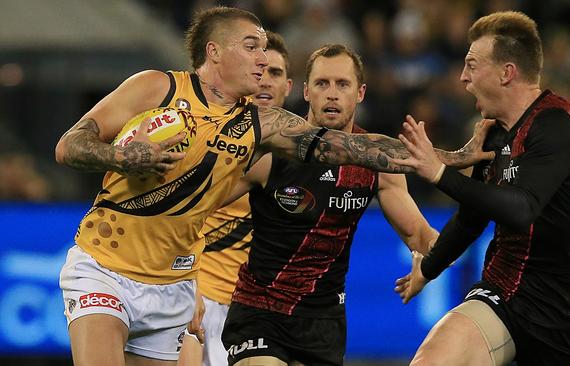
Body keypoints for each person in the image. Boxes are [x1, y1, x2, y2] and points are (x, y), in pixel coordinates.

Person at [54, 6, 488, 366]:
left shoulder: (261, 125)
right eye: (252, 47)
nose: (262, 58)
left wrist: (447, 159)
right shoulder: (156, 87)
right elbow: (68, 145)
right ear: (215, 52)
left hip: (172, 287)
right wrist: (122, 157)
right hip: (106, 265)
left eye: (265, 49)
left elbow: (353, 148)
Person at [394, 11, 570, 366]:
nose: (463, 78)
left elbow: (522, 209)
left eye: (472, 65)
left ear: (507, 72)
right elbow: (471, 219)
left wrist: (439, 173)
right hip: (502, 292)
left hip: (566, 314)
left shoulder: (559, 127)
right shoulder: (494, 134)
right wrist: (428, 269)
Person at [219, 43, 440, 366]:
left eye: (342, 84)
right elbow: (198, 205)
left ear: (360, 93)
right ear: (306, 91)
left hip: (323, 321)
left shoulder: (374, 162)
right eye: (322, 84)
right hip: (260, 311)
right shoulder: (273, 150)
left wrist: (428, 259)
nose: (332, 94)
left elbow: (420, 234)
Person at [177, 30, 294, 366]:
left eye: (276, 73)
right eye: (260, 70)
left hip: (261, 312)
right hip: (202, 297)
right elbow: (175, 213)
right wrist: (186, 282)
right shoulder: (208, 137)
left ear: (288, 86)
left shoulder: (301, 158)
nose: (266, 80)